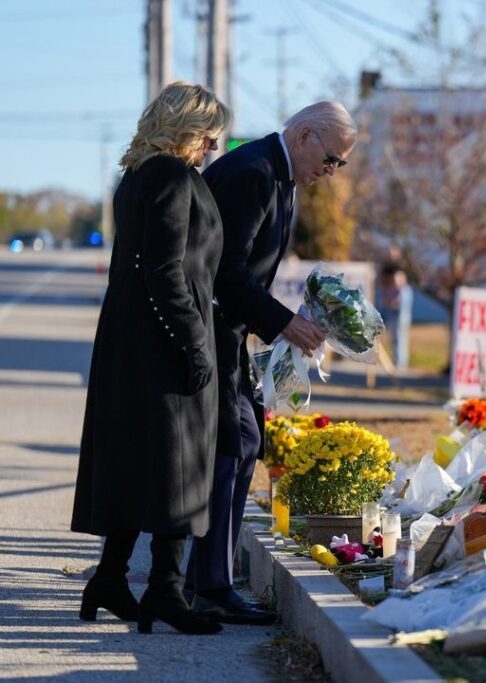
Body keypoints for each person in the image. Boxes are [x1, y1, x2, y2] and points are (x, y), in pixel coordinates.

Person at [184, 101, 357, 625]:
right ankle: (209, 585)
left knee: (245, 440)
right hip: (208, 326)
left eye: (339, 165)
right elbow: (225, 271)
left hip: (230, 328)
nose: (330, 173)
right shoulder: (256, 173)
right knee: (235, 444)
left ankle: (209, 580)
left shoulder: (277, 173)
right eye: (330, 160)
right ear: (305, 135)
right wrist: (283, 323)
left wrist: (298, 314)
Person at [71, 82, 230, 635]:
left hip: (131, 340)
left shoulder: (137, 176)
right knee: (179, 464)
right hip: (162, 341)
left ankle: (111, 579)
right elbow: (164, 270)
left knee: (145, 464)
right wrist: (192, 342)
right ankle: (165, 592)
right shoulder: (170, 176)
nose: (213, 144)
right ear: (186, 127)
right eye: (209, 133)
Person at [378, 249, 412, 370]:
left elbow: (400, 280)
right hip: (390, 296)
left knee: (399, 333)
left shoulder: (401, 265)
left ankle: (400, 362)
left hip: (399, 298)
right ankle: (393, 359)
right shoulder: (386, 266)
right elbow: (383, 281)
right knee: (390, 332)